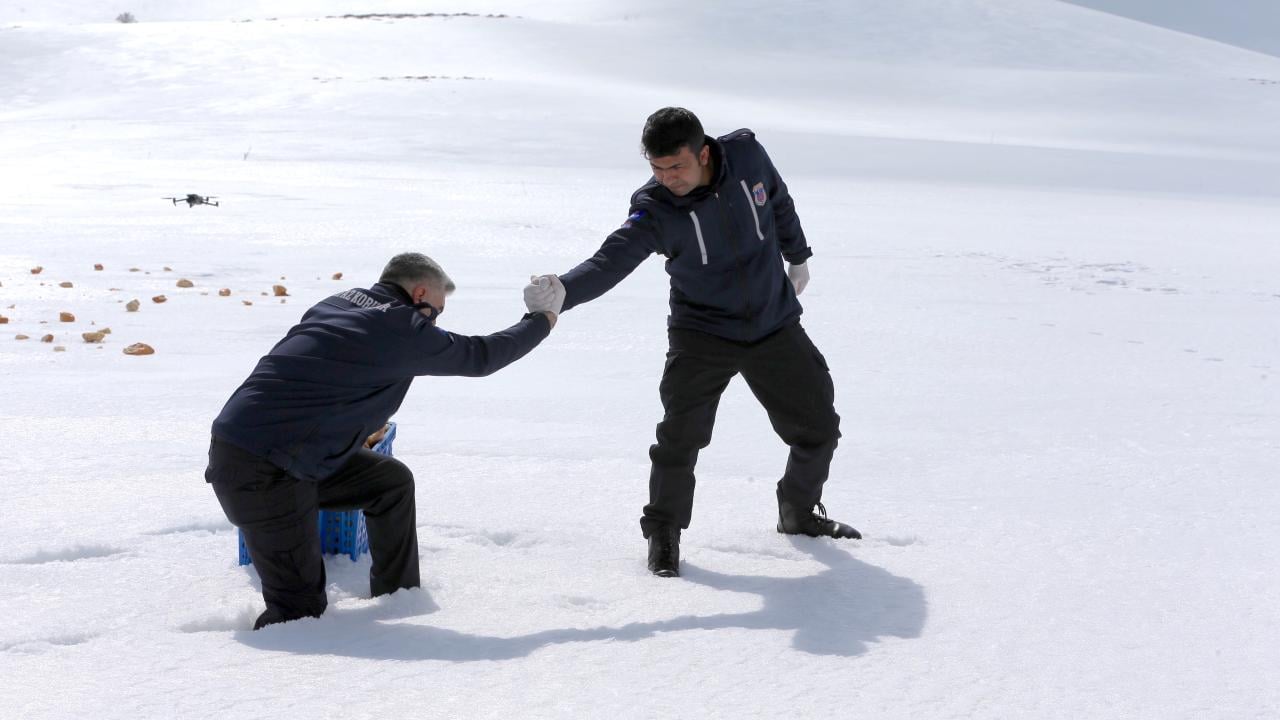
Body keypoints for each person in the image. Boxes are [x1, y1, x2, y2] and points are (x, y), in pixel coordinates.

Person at [527, 107, 859, 578]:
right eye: (657, 169)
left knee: (819, 427)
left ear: (703, 153)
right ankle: (663, 534)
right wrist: (565, 290)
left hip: (773, 323)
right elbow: (612, 260)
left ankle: (798, 513)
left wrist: (797, 254)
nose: (668, 178)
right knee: (679, 440)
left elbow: (779, 199)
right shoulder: (655, 209)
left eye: (676, 167)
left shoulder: (746, 155)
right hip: (701, 332)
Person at [206, 252, 565, 628]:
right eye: (435, 312)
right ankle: (267, 674)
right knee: (299, 611)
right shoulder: (400, 326)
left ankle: (399, 598)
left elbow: (321, 375)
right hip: (260, 472)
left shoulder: (339, 302)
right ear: (420, 291)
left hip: (279, 452)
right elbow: (480, 357)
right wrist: (543, 319)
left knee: (389, 483)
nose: (434, 323)